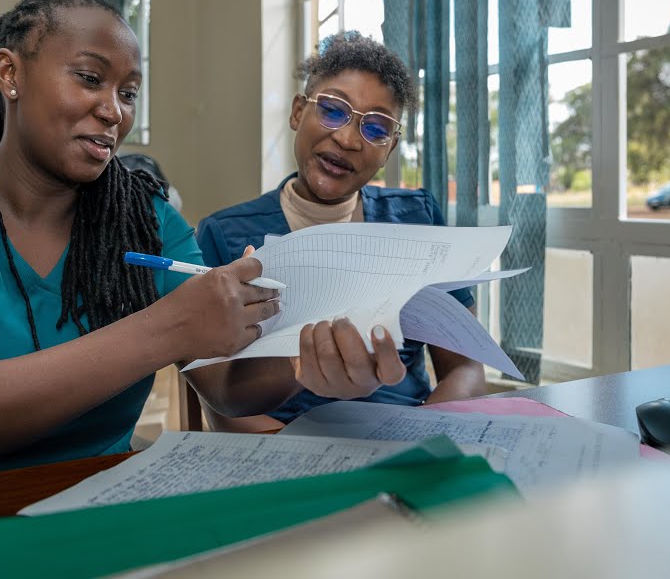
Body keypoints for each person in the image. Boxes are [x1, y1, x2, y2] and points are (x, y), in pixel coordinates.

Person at [0, 0, 285, 494]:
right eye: (90, 79)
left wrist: (308, 359)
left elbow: (227, 390)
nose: (114, 112)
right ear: (9, 73)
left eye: (128, 93)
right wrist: (168, 328)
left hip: (88, 513)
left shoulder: (147, 223)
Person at [192, 31, 488, 433]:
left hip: (404, 445)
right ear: (298, 112)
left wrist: (423, 441)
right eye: (332, 110)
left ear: (391, 148)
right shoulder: (225, 234)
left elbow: (466, 367)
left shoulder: (418, 219)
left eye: (377, 129)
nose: (348, 139)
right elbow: (221, 404)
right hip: (284, 455)